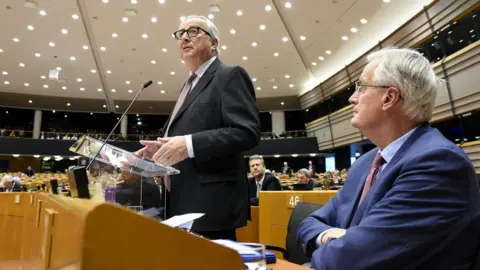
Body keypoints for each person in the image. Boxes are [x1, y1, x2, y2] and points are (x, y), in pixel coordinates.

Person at [297, 48, 480, 269]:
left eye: (361, 88)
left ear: (389, 97)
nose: (352, 98)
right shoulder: (364, 164)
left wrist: (340, 244)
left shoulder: (438, 164)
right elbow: (308, 223)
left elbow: (347, 261)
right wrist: (334, 238)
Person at [136, 15, 260, 240]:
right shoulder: (188, 86)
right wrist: (161, 149)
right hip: (179, 203)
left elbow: (246, 131)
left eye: (193, 31)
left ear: (214, 43)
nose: (184, 37)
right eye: (180, 33)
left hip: (211, 206)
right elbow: (184, 135)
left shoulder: (229, 75)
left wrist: (188, 145)